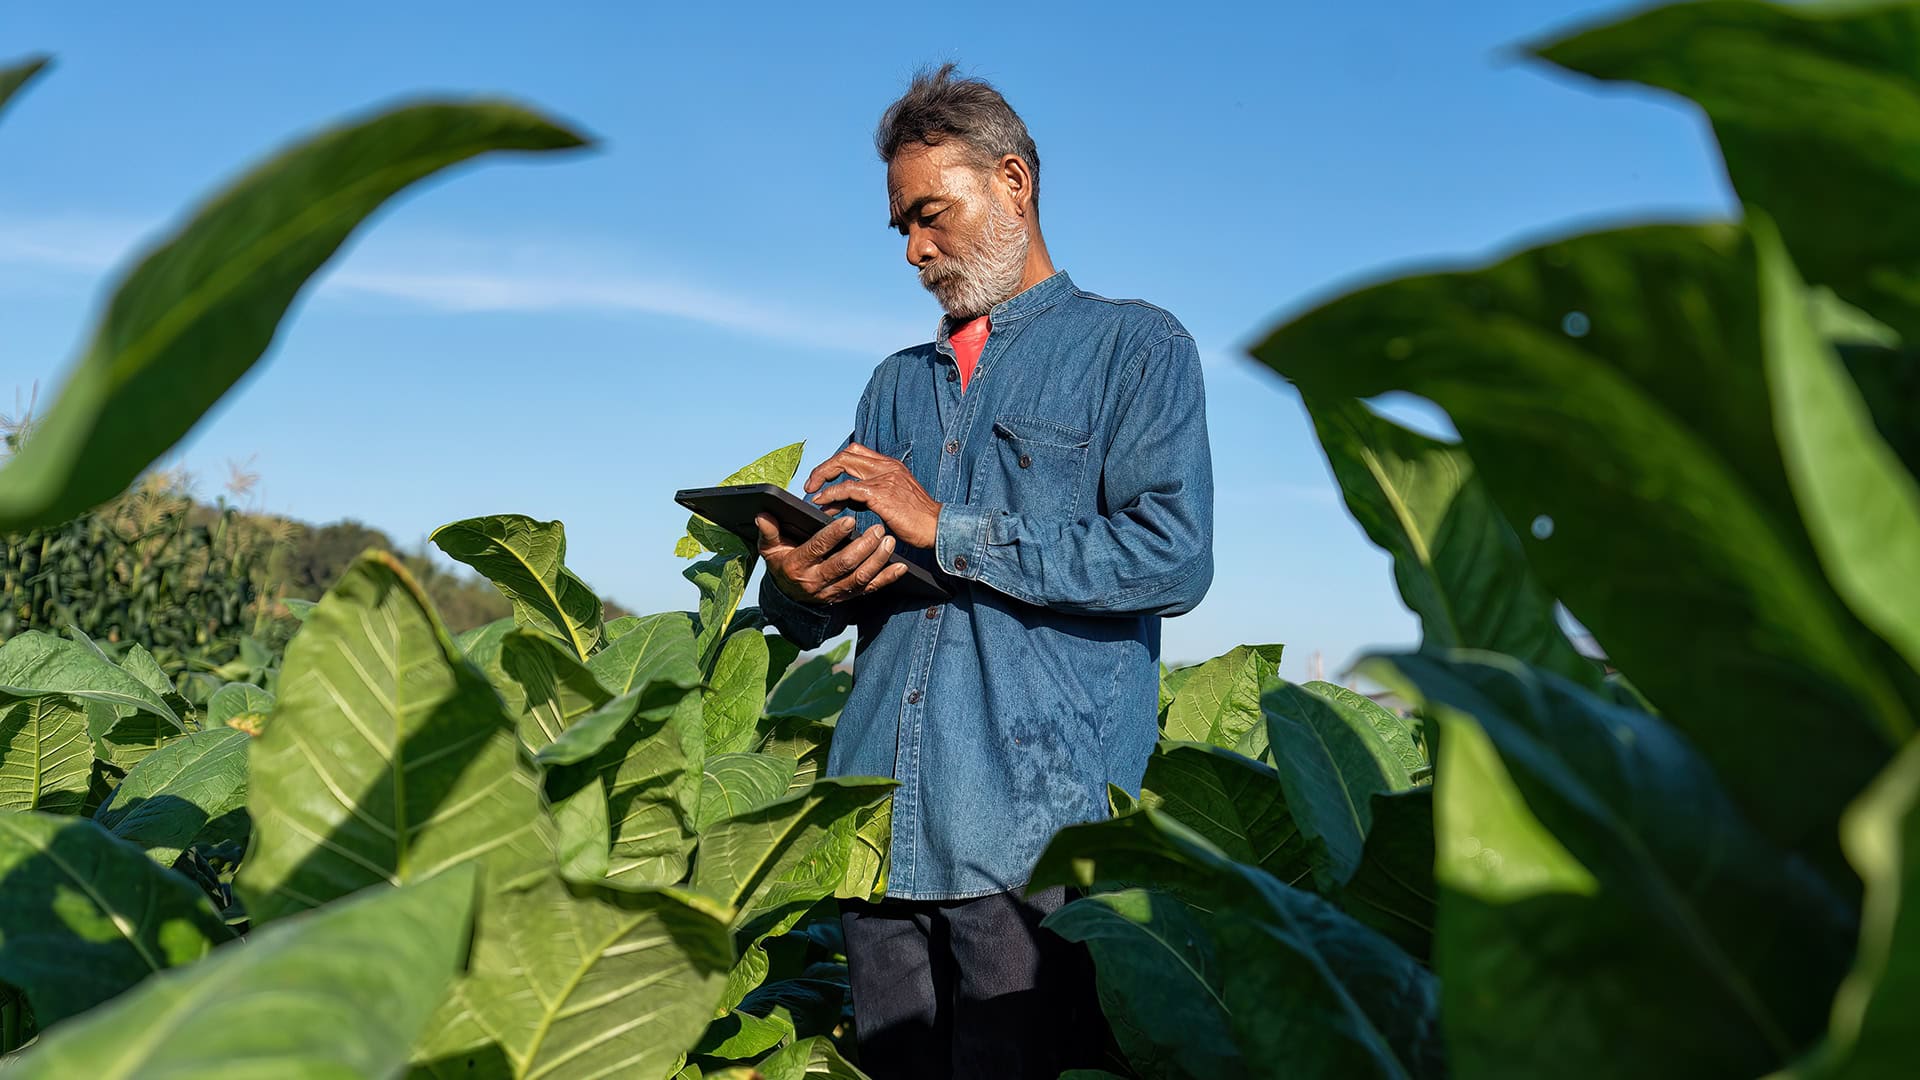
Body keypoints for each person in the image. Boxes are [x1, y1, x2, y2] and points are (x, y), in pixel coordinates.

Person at [753, 63, 1214, 1080]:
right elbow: (816, 607)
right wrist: (798, 582)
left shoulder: (1134, 347)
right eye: (901, 231)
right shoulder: (893, 386)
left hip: (1029, 840)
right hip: (875, 831)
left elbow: (1171, 555)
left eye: (932, 215)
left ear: (1012, 182)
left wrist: (943, 527)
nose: (916, 251)